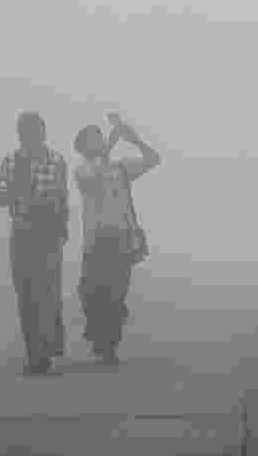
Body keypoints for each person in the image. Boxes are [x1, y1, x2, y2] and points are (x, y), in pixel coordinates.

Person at [73, 114, 160, 365]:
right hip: (95, 240)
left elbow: (154, 159)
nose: (99, 141)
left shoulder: (120, 168)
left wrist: (135, 139)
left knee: (116, 294)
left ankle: (109, 345)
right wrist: (111, 144)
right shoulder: (83, 170)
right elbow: (93, 178)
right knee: (91, 293)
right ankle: (100, 339)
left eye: (100, 137)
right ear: (83, 148)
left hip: (120, 238)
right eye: (93, 139)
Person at [0, 111, 69, 375]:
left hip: (47, 234)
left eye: (35, 131)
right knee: (26, 293)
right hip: (23, 232)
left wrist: (22, 196)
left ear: (43, 133)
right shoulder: (11, 160)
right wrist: (21, 194)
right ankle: (35, 352)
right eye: (26, 132)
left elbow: (57, 197)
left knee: (46, 292)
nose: (31, 137)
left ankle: (45, 348)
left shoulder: (56, 160)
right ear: (20, 134)